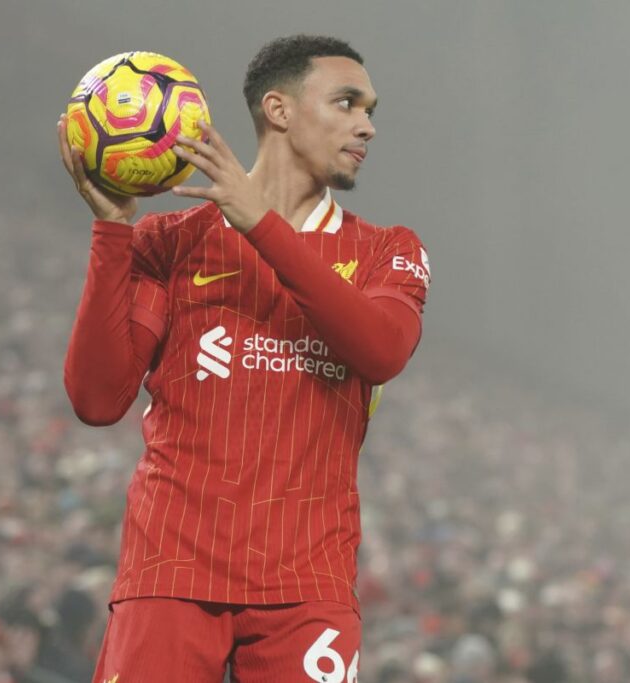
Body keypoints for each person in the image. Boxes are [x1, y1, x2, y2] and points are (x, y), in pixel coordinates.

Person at [59, 34, 431, 682]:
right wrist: (114, 229)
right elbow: (97, 400)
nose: (366, 125)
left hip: (306, 586)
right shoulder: (171, 243)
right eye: (346, 103)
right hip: (171, 570)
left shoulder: (386, 250)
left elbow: (381, 349)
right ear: (279, 110)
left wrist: (260, 223)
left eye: (370, 109)